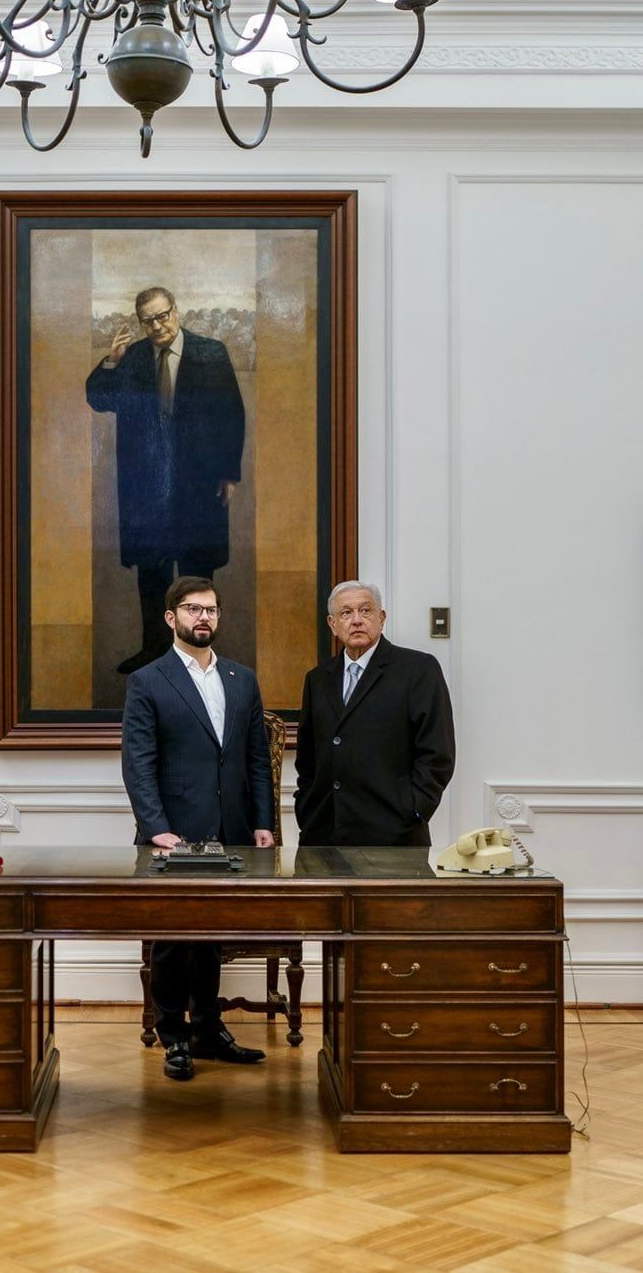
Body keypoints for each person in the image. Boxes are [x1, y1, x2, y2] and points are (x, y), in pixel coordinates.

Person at [119, 576, 274, 1081]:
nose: (203, 617)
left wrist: (262, 823)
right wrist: (156, 827)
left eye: (210, 609)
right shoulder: (148, 680)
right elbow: (138, 763)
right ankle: (174, 1037)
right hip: (172, 835)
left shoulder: (241, 679)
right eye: (192, 609)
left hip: (230, 832)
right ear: (171, 619)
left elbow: (255, 759)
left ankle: (209, 1031)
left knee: (212, 934)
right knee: (171, 937)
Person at [86, 287, 246, 674]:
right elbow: (99, 399)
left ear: (176, 311)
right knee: (153, 571)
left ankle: (199, 655)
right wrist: (111, 361)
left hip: (198, 481)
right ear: (140, 322)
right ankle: (155, 653)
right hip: (147, 486)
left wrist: (228, 471)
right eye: (148, 320)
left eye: (162, 316)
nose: (157, 326)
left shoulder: (211, 352)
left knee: (196, 570)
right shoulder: (134, 356)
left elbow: (232, 413)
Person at [294, 580, 456, 847]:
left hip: (394, 835)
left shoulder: (417, 669)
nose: (357, 620)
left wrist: (414, 809)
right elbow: (308, 756)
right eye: (346, 613)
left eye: (365, 611)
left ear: (381, 618)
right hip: (323, 834)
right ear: (333, 625)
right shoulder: (318, 679)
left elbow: (438, 754)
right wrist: (306, 807)